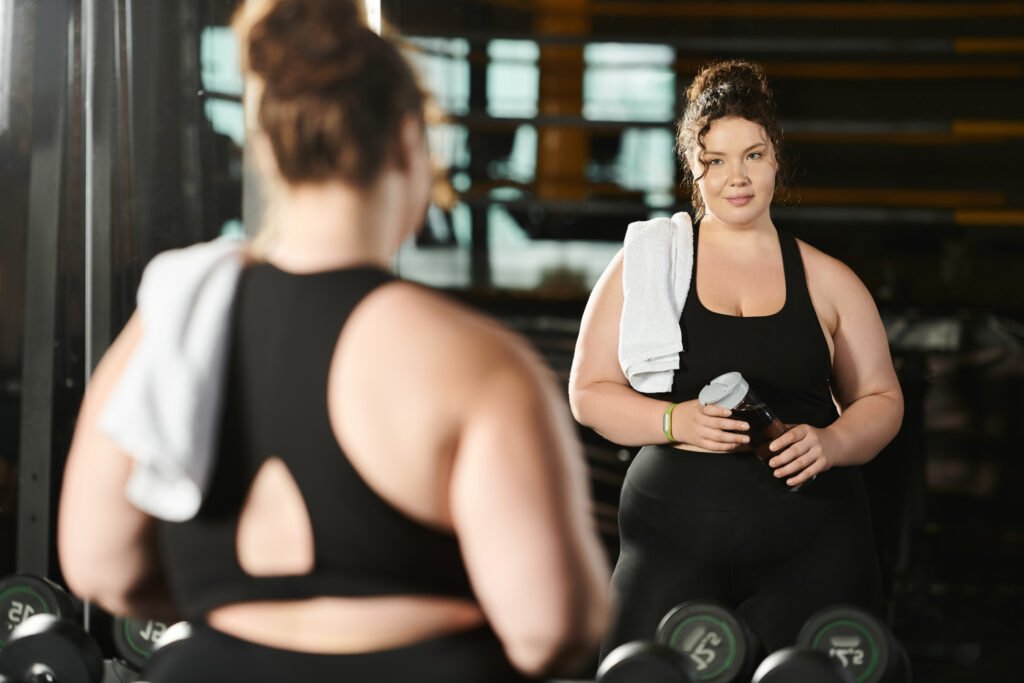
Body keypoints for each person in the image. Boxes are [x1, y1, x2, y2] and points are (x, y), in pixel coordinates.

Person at [57, 1, 610, 681]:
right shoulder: (473, 361)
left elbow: (98, 563)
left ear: (268, 151)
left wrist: (233, 618)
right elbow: (551, 626)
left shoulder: (170, 324)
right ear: (410, 142)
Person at [569, 60, 903, 655]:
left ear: (776, 156)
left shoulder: (830, 280)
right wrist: (673, 420)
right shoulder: (647, 265)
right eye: (714, 161)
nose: (736, 177)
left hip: (813, 541)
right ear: (692, 172)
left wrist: (832, 443)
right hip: (671, 540)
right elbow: (588, 392)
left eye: (752, 155)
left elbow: (881, 398)